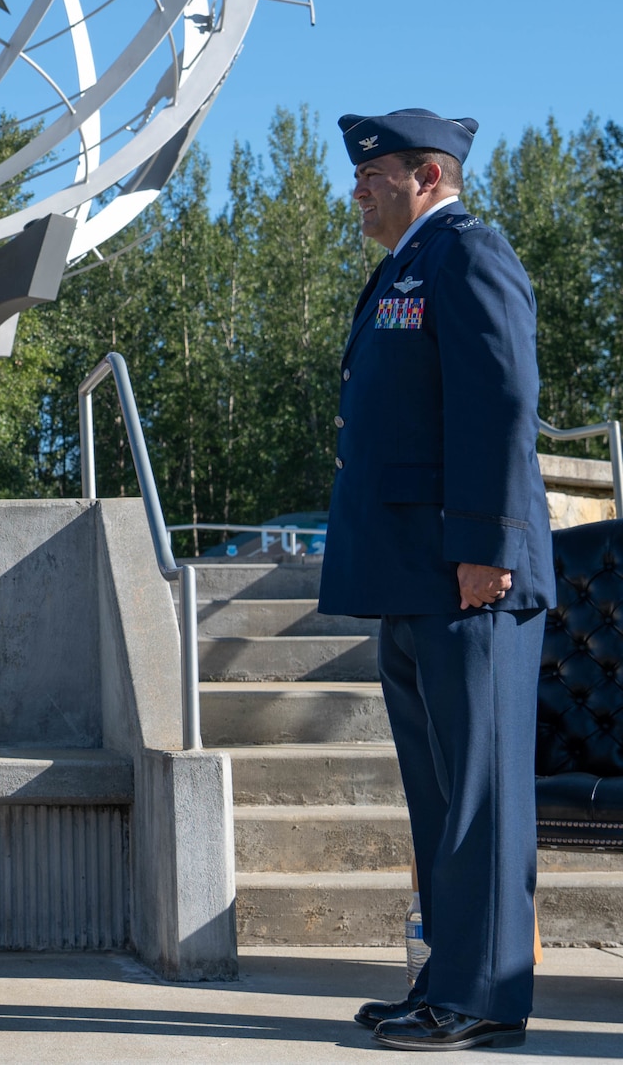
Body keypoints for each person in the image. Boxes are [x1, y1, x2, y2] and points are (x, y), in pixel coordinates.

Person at [318, 108, 553, 1052]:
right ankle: (449, 975)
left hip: (470, 576)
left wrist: (488, 544)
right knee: (441, 795)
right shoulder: (402, 268)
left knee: (482, 797)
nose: (358, 190)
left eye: (373, 175)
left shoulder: (468, 252)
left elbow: (501, 396)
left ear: (427, 175)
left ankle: (486, 994)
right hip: (414, 576)